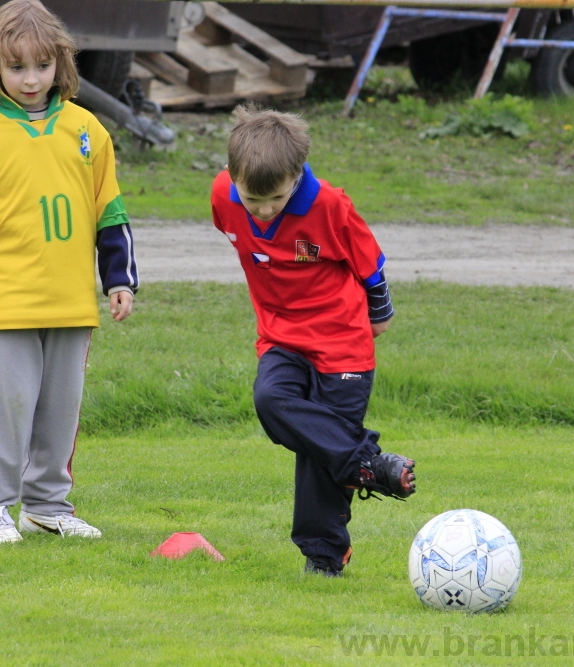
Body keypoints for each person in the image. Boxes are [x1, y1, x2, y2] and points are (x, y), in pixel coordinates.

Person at [0, 0, 138, 543]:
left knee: (59, 410)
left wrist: (119, 279)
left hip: (72, 302)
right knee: (9, 409)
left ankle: (49, 505)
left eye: (42, 66)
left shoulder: (87, 129)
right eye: (16, 67)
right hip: (10, 303)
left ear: (61, 64)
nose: (31, 79)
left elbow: (111, 212)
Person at [211, 105, 417, 576]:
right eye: (252, 199)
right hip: (282, 337)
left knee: (320, 453)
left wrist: (379, 316)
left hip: (344, 344)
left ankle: (323, 558)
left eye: (277, 199)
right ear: (232, 176)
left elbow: (371, 265)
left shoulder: (329, 205)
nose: (264, 210)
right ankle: (370, 464)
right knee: (271, 399)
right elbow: (242, 235)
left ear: (296, 175)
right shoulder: (223, 196)